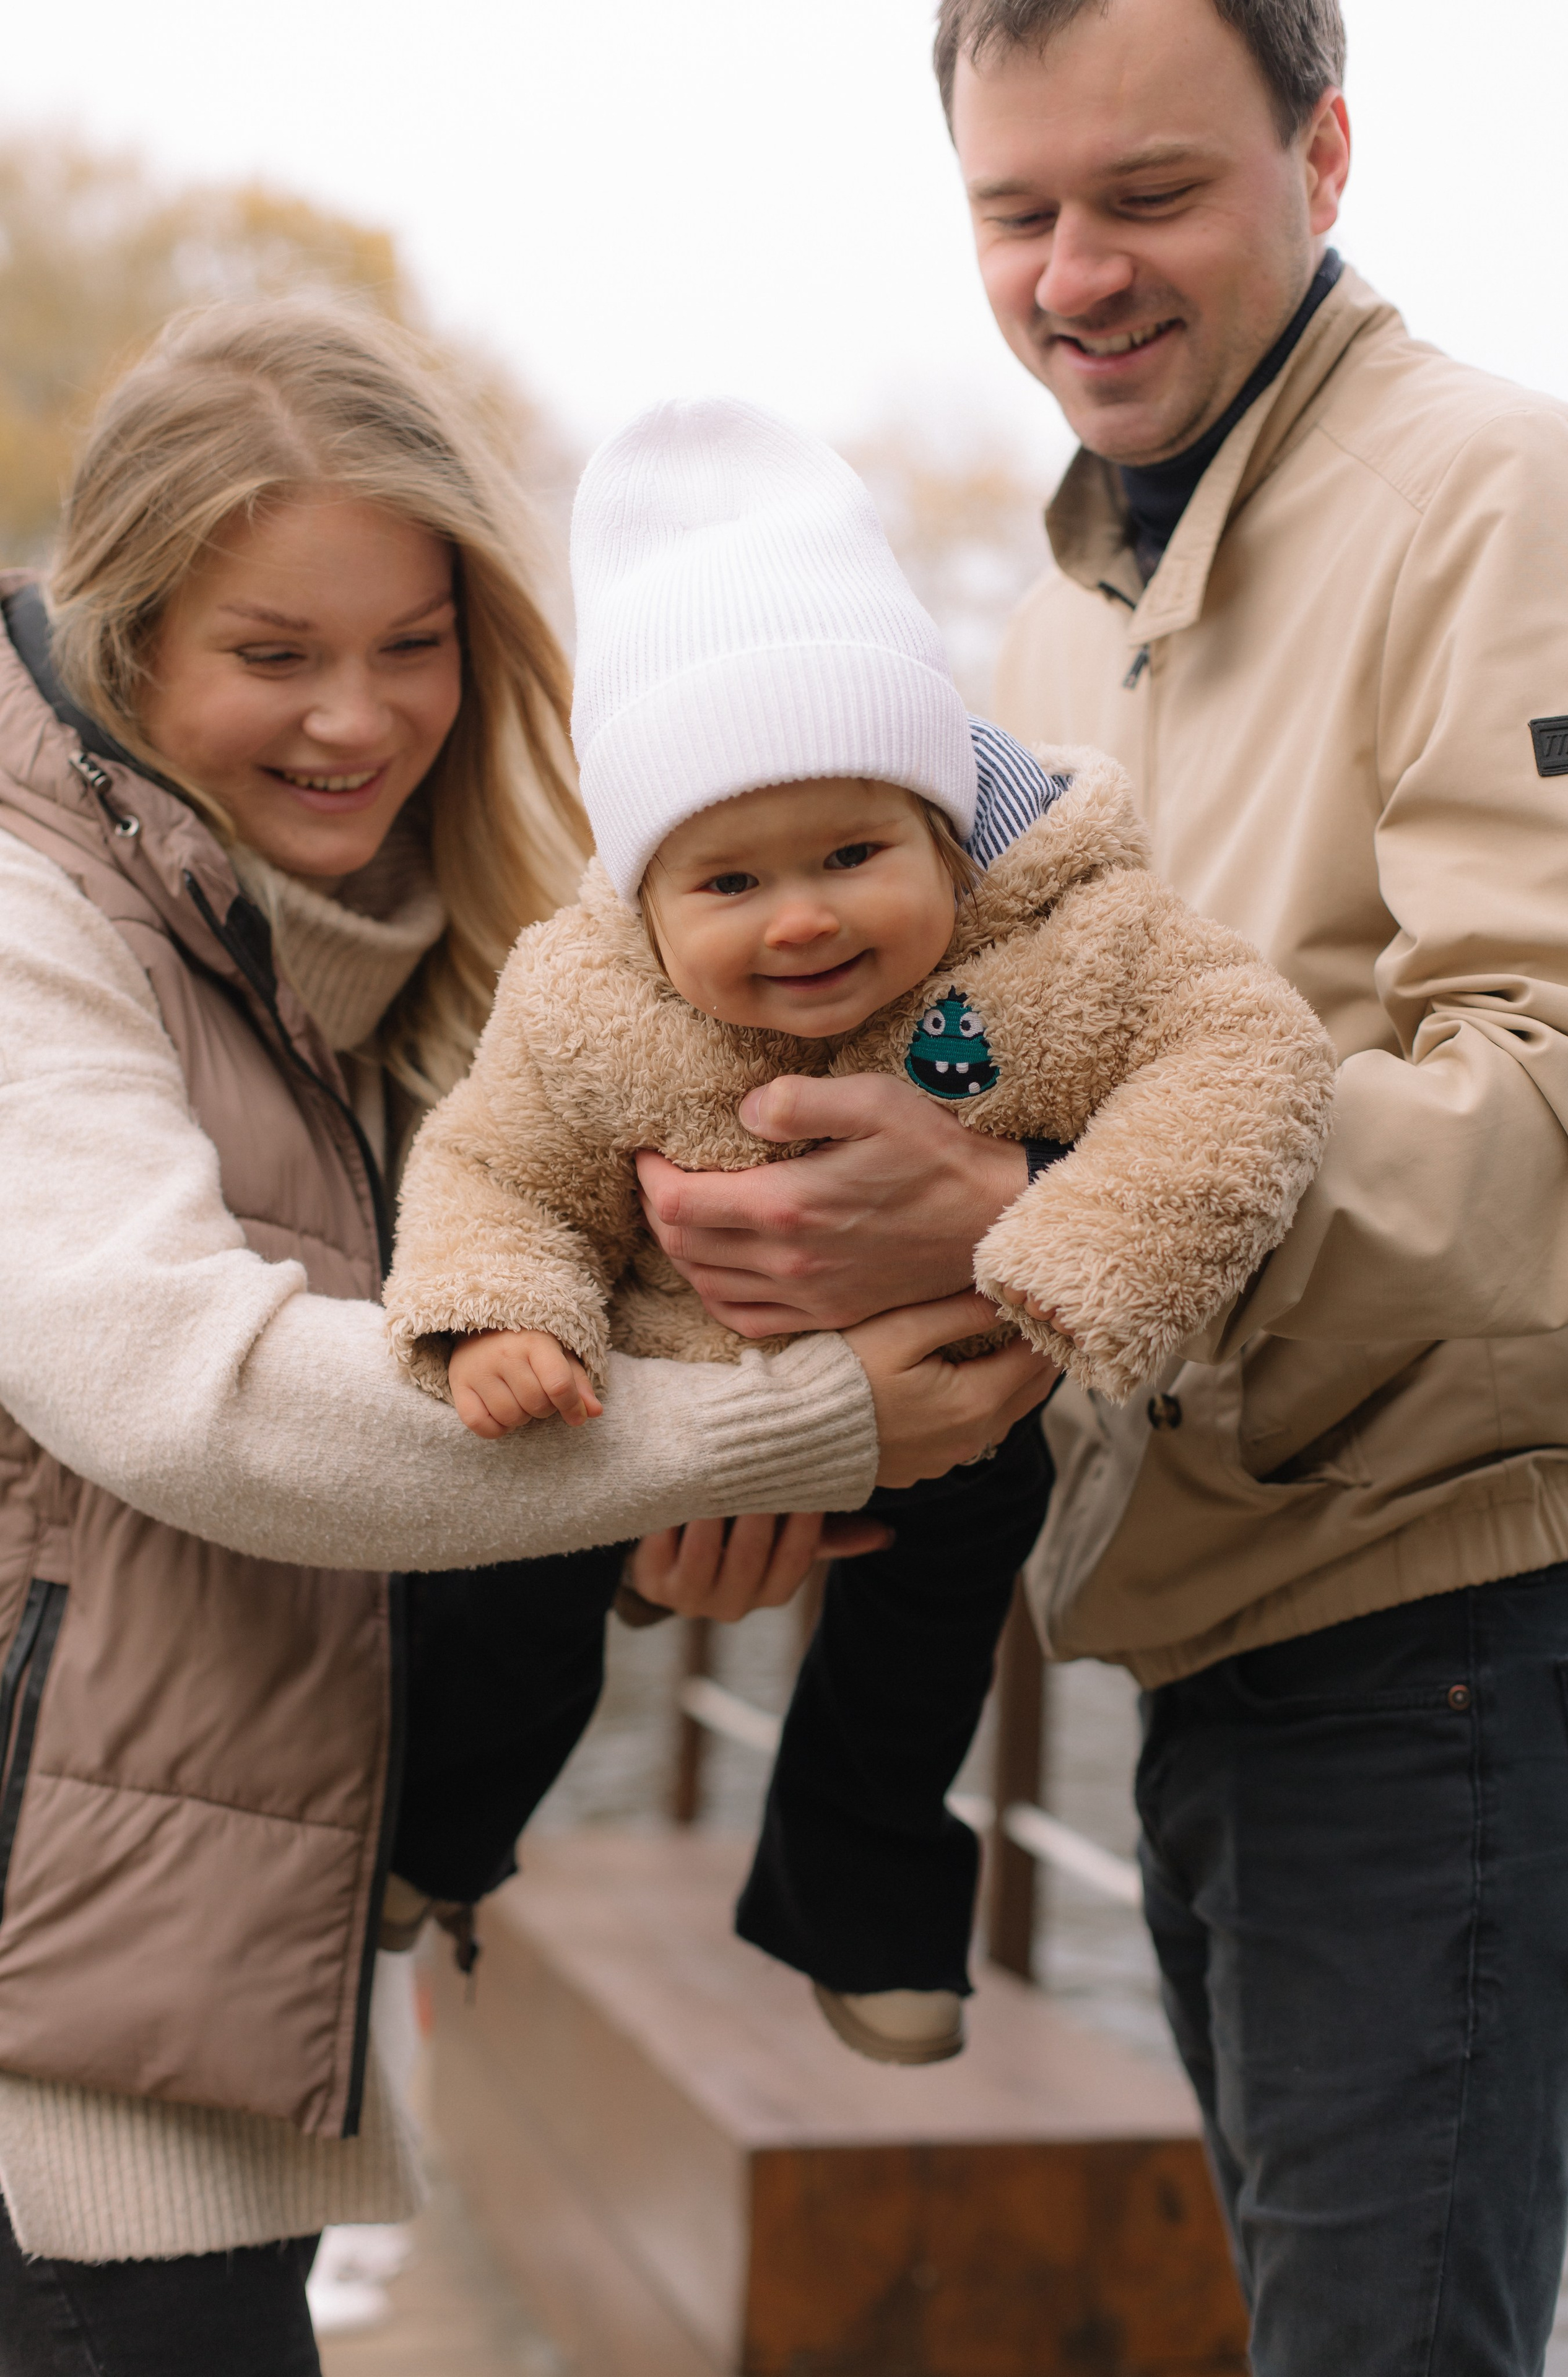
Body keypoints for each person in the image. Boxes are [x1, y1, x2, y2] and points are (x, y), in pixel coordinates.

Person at [640, 0, 1568, 2366]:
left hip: (1445, 1634)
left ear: (1330, 151)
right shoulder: (1064, 616)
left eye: (1149, 196)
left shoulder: (1508, 504)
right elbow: (989, 1080)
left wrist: (1016, 1199)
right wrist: (784, 1373)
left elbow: (1566, 1124)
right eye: (1016, 210)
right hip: (1221, 1630)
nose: (1075, 272)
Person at [0, 298, 1052, 2377]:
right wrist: (759, 1438)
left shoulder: (467, 963)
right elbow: (177, 1393)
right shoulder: (39, 922)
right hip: (52, 2042)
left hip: (207, 2011)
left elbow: (535, 1393)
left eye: (413, 643)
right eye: (273, 656)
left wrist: (667, 1542)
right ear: (124, 644)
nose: (355, 720)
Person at [381, 394, 1332, 2066]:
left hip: (951, 1398)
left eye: (852, 853)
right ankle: (429, 1840)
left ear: (945, 838)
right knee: (503, 1580)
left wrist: (1071, 1245)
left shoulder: (1064, 952)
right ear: (647, 898)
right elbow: (492, 1170)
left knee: (924, 1645)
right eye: (730, 885)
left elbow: (1249, 1059)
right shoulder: (587, 1004)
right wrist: (502, 1318)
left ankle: (871, 1916)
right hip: (661, 1397)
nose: (803, 916)